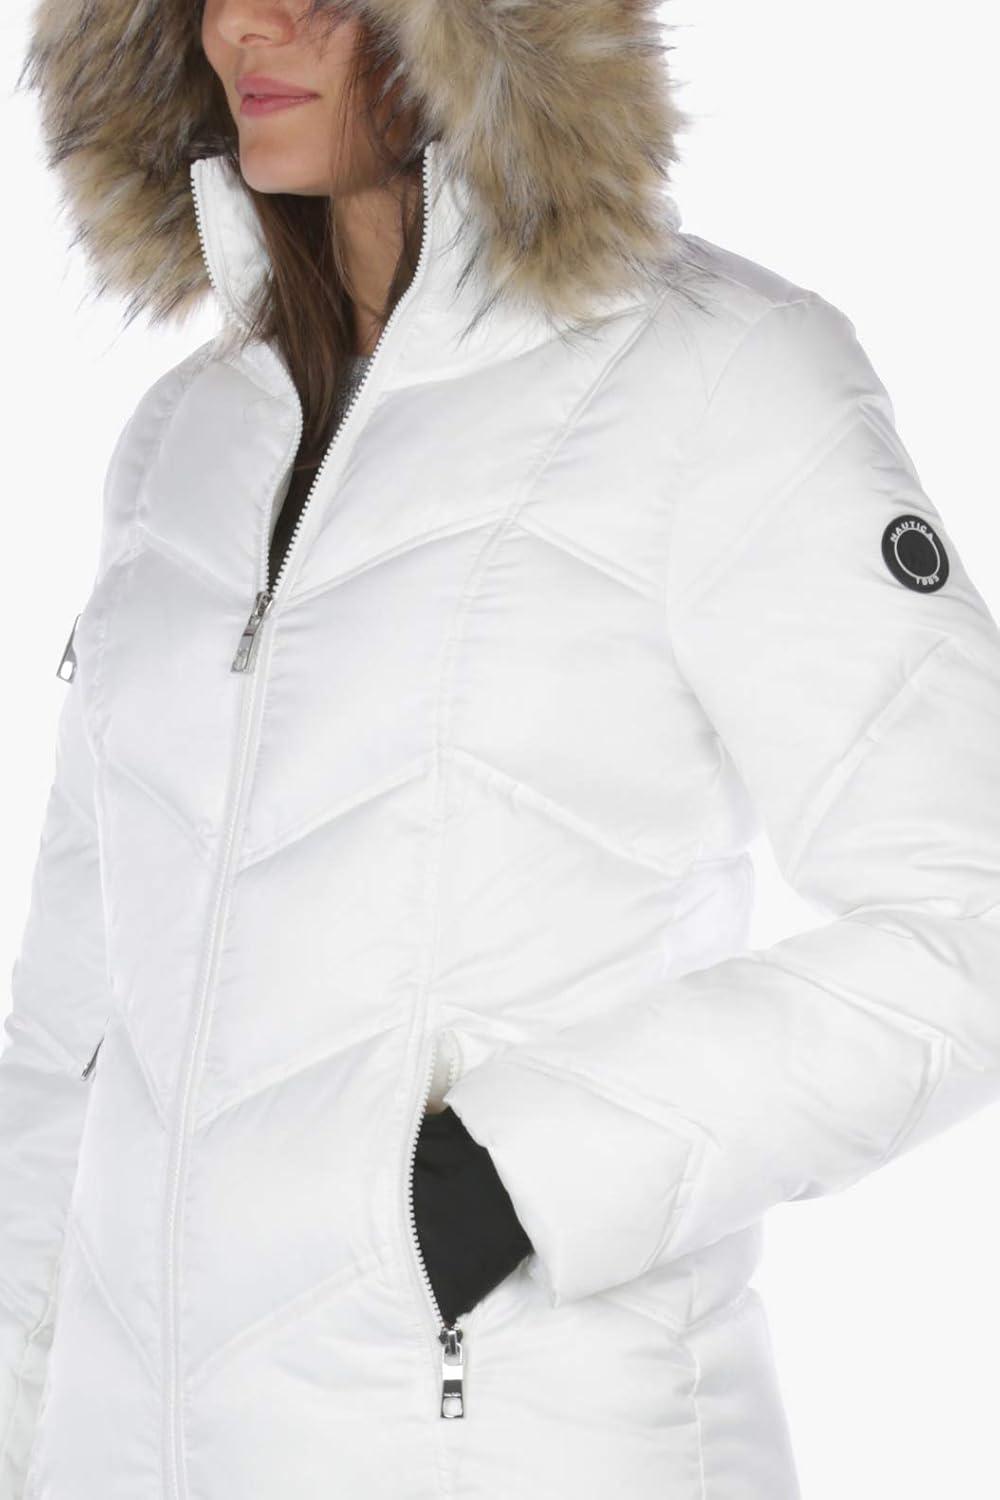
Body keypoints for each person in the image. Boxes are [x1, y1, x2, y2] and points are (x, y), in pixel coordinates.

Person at [4, 0, 999, 1495]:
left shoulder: (715, 377)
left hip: (511, 1435)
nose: (246, 26)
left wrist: (505, 1181)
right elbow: (73, 1026)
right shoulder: (181, 444)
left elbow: (968, 912)